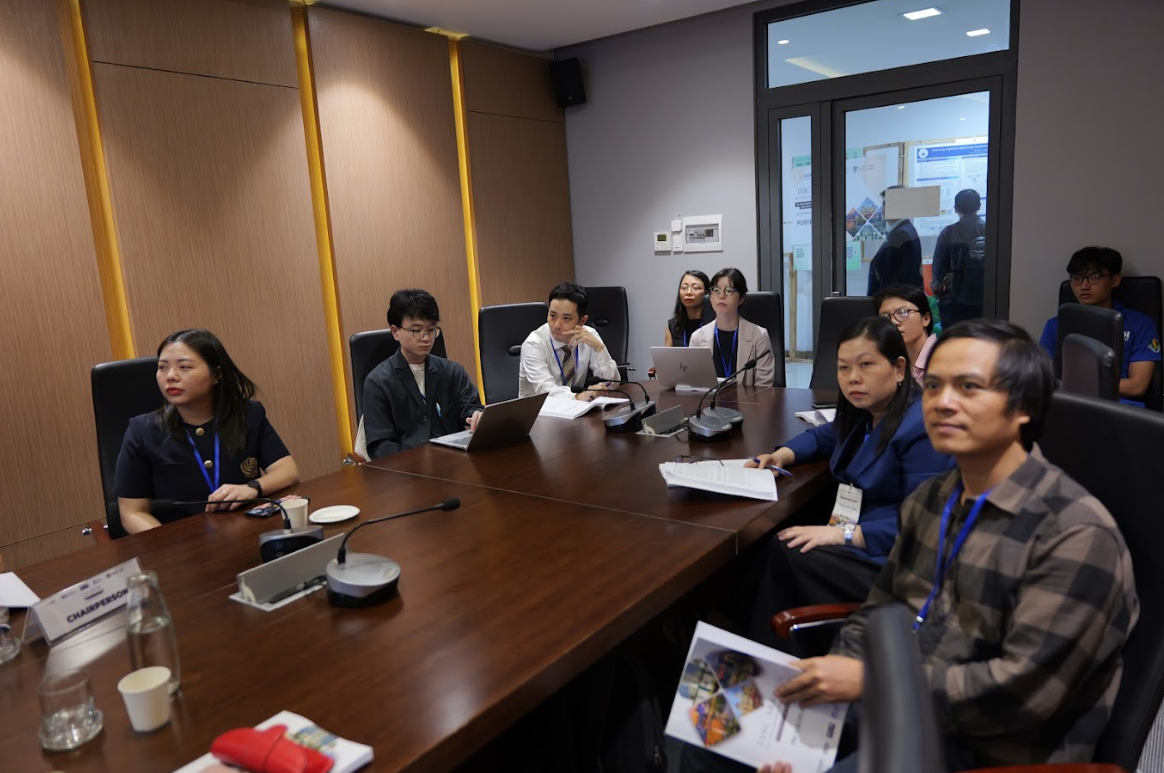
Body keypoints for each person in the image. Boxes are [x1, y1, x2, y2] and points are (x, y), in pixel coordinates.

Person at [765, 319, 1138, 772]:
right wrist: (831, 695)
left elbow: (1019, 696)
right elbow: (879, 612)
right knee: (732, 738)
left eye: (968, 387)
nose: (942, 402)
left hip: (986, 753)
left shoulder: (1075, 535)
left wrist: (871, 683)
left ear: (1022, 405)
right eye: (935, 385)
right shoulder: (931, 500)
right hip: (900, 713)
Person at [744, 317, 953, 646]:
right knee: (763, 545)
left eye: (866, 365)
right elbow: (825, 436)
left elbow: (926, 524)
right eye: (843, 367)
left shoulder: (922, 426)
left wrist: (842, 534)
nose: (853, 377)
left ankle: (767, 654)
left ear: (899, 369)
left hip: (890, 559)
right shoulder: (866, 412)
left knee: (786, 550)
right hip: (852, 531)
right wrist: (783, 454)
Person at [114, 329, 300, 534]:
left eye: (184, 367)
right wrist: (166, 546)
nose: (170, 376)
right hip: (181, 542)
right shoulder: (142, 431)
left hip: (247, 533)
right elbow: (132, 513)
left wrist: (252, 488)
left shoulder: (247, 415)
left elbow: (288, 471)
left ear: (216, 374)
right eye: (162, 367)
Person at [362, 289, 484, 459]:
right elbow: (381, 447)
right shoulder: (378, 382)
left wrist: (477, 416)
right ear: (395, 331)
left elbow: (472, 408)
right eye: (416, 330)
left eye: (431, 329)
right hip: (407, 468)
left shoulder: (453, 372)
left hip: (454, 463)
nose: (426, 338)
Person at [1038, 246, 1160, 403]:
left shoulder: (1140, 324)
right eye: (1076, 278)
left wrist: (1077, 385)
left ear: (1114, 280)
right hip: (1070, 404)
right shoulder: (1056, 325)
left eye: (1094, 277)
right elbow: (1044, 379)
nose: (1084, 286)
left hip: (1119, 406)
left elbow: (1137, 386)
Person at [518, 281, 619, 400]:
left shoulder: (588, 336)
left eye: (566, 318)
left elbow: (611, 384)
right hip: (538, 410)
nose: (556, 325)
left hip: (577, 408)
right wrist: (578, 396)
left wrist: (599, 348)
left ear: (582, 321)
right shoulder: (533, 344)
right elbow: (545, 391)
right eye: (552, 316)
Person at [689, 268, 775, 387]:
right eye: (716, 290)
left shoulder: (759, 336)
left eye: (729, 290)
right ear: (710, 297)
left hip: (747, 399)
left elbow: (763, 388)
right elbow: (694, 385)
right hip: (710, 399)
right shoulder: (697, 338)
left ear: (741, 298)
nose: (722, 296)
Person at [931, 188, 986, 325]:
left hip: (956, 300)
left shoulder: (948, 233)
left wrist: (938, 291)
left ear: (955, 208)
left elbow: (939, 268)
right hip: (986, 299)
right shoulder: (992, 230)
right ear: (979, 206)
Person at [873, 284, 937, 387]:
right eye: (885, 317)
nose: (893, 322)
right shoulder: (893, 363)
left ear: (926, 319)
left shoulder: (943, 357)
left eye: (903, 312)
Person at [866, 186, 922, 294]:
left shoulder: (901, 235)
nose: (883, 208)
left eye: (887, 204)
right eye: (883, 204)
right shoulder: (905, 230)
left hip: (894, 300)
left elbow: (892, 281)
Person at [664, 270, 713, 347]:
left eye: (695, 288)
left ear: (706, 293)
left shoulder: (715, 325)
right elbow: (667, 354)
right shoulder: (673, 326)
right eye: (684, 288)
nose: (688, 292)